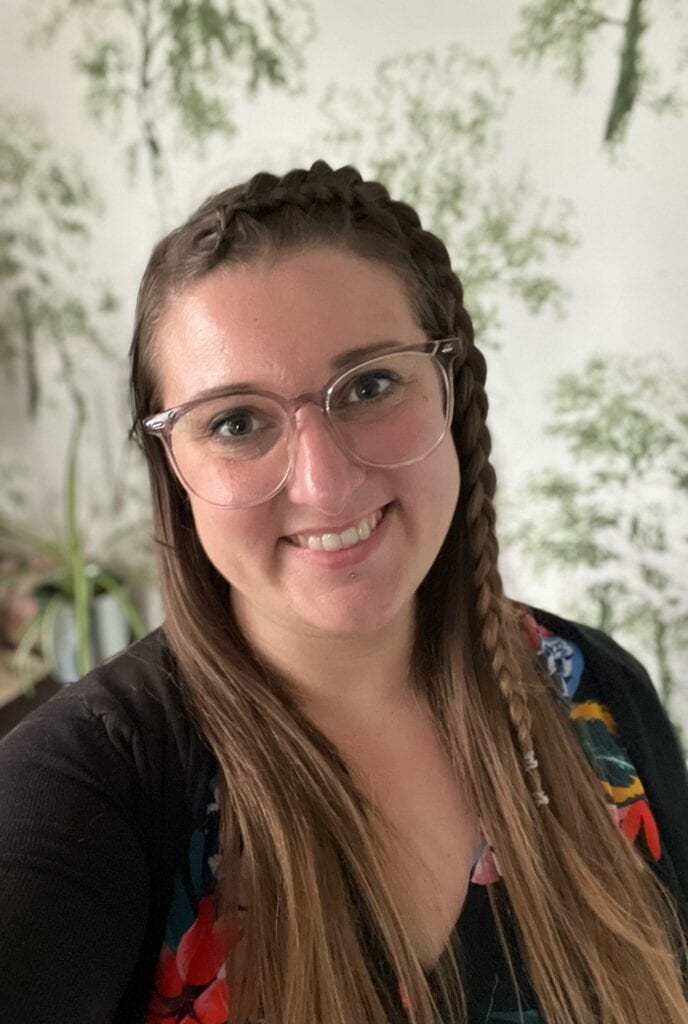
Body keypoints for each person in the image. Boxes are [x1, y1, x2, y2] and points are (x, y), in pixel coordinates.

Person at [1, 161, 687, 1024]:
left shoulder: (599, 695)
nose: (324, 485)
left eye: (368, 386)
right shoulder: (93, 788)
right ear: (173, 470)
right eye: (236, 422)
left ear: (451, 392)